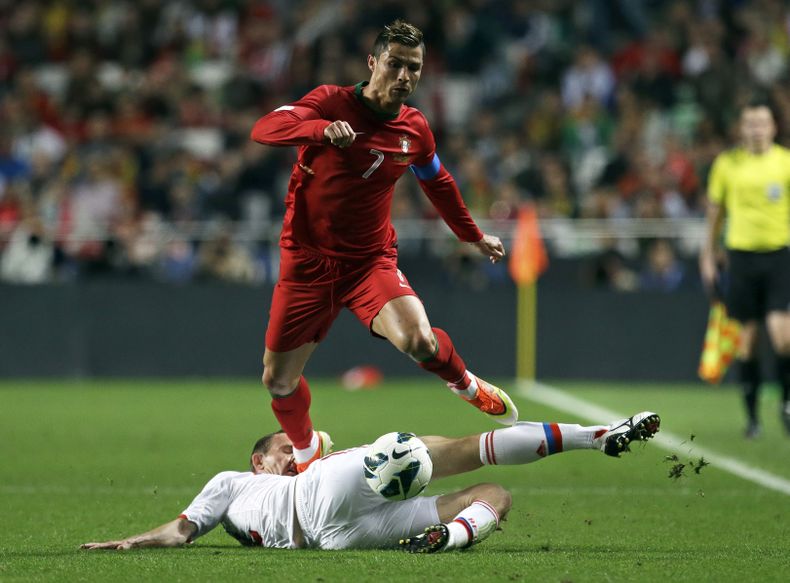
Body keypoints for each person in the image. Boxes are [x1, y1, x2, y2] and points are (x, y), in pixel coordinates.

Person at [249, 20, 517, 472]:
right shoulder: (331, 101)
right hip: (307, 262)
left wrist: (471, 235)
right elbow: (266, 127)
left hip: (368, 261)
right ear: (373, 63)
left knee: (419, 340)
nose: (404, 77)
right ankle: (306, 448)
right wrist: (318, 130)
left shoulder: (415, 128)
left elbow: (439, 182)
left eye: (414, 68)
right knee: (277, 380)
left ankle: (466, 384)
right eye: (395, 64)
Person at [80, 411, 660, 553]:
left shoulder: (280, 478)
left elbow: (184, 535)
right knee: (432, 449)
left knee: (494, 497)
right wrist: (133, 539)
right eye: (285, 447)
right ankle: (594, 436)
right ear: (257, 462)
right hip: (312, 504)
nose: (293, 450)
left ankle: (450, 537)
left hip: (337, 539)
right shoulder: (233, 482)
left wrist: (132, 543)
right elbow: (183, 528)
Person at [699, 99, 790, 438]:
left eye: (762, 123)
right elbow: (715, 213)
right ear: (741, 128)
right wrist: (707, 256)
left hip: (779, 256)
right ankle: (752, 419)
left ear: (773, 127)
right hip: (741, 258)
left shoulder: (785, 163)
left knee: (784, 338)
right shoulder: (727, 164)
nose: (756, 130)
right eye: (750, 123)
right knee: (747, 343)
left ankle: (786, 403)